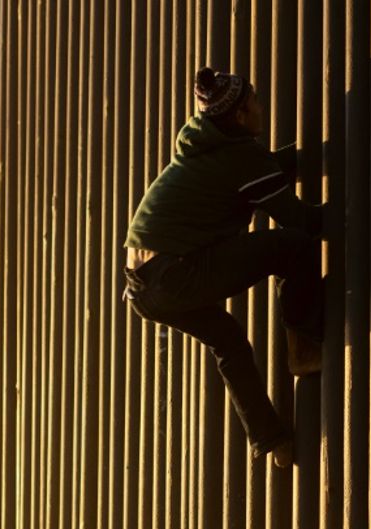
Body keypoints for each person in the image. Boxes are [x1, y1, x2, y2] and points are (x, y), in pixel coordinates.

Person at [122, 67, 324, 468]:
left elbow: (263, 168)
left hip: (141, 286)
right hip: (174, 272)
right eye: (255, 102)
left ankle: (271, 442)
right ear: (240, 116)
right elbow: (300, 220)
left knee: (228, 340)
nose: (261, 108)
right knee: (293, 247)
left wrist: (310, 156)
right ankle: (302, 346)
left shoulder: (208, 148)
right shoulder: (239, 159)